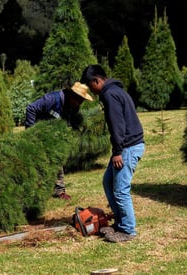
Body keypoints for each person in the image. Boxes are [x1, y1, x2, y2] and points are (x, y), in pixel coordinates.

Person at [80, 65, 145, 243]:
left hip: (127, 147)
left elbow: (118, 126)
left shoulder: (109, 94)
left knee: (121, 190)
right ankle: (120, 222)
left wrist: (117, 152)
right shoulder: (115, 90)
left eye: (90, 85)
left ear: (97, 81)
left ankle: (128, 230)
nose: (90, 91)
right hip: (126, 145)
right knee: (108, 181)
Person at [25, 82, 93, 200]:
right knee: (36, 164)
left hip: (53, 136)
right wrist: (31, 132)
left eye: (82, 101)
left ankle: (59, 191)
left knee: (57, 159)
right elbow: (31, 108)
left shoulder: (72, 106)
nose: (80, 104)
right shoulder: (51, 99)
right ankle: (32, 193)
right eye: (79, 100)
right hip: (38, 134)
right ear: (72, 95)